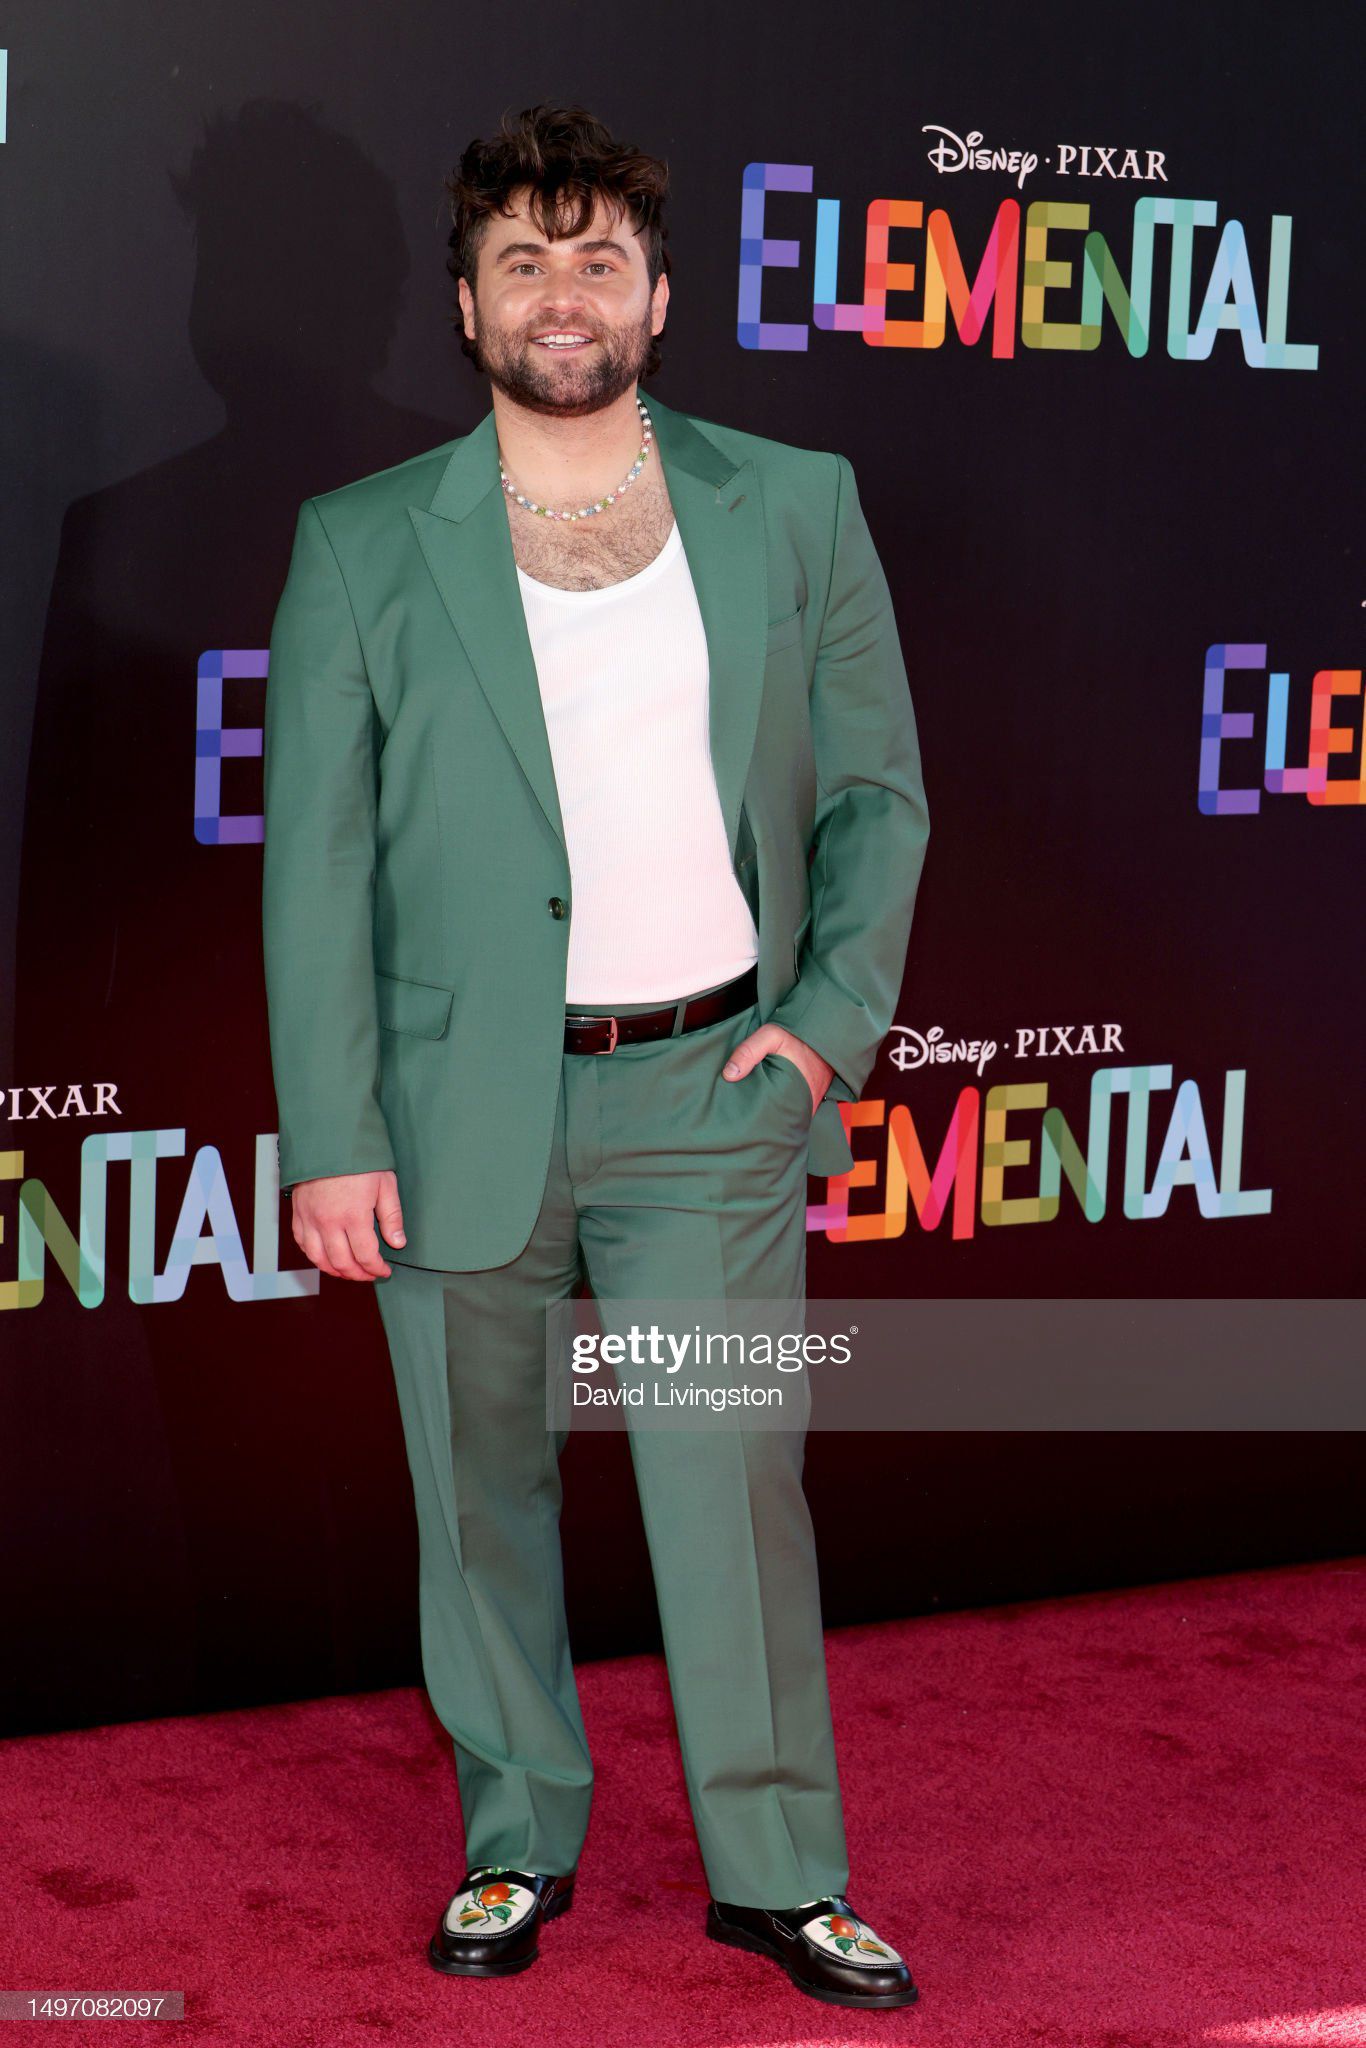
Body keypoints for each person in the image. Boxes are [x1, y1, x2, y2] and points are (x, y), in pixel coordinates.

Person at [261, 100, 929, 2012]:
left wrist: (822, 1035)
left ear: (664, 292)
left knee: (731, 1492)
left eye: (600, 257)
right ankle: (515, 1837)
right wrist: (333, 1134)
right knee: (477, 1500)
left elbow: (879, 797)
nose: (566, 295)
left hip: (711, 1104)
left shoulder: (793, 503)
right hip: (455, 1104)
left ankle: (781, 1870)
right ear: (467, 310)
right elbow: (311, 871)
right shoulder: (362, 542)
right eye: (522, 262)